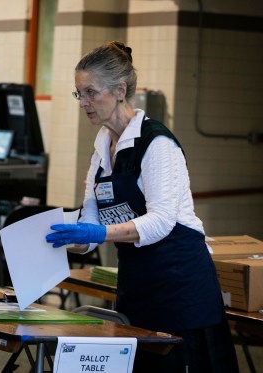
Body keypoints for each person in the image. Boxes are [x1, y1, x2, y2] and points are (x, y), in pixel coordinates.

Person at [45, 41, 238, 373]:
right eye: (79, 94)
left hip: (181, 286)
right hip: (137, 285)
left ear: (120, 90)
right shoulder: (101, 149)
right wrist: (76, 239)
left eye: (91, 92)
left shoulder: (157, 143)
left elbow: (161, 221)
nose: (84, 103)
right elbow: (91, 221)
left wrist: (99, 232)